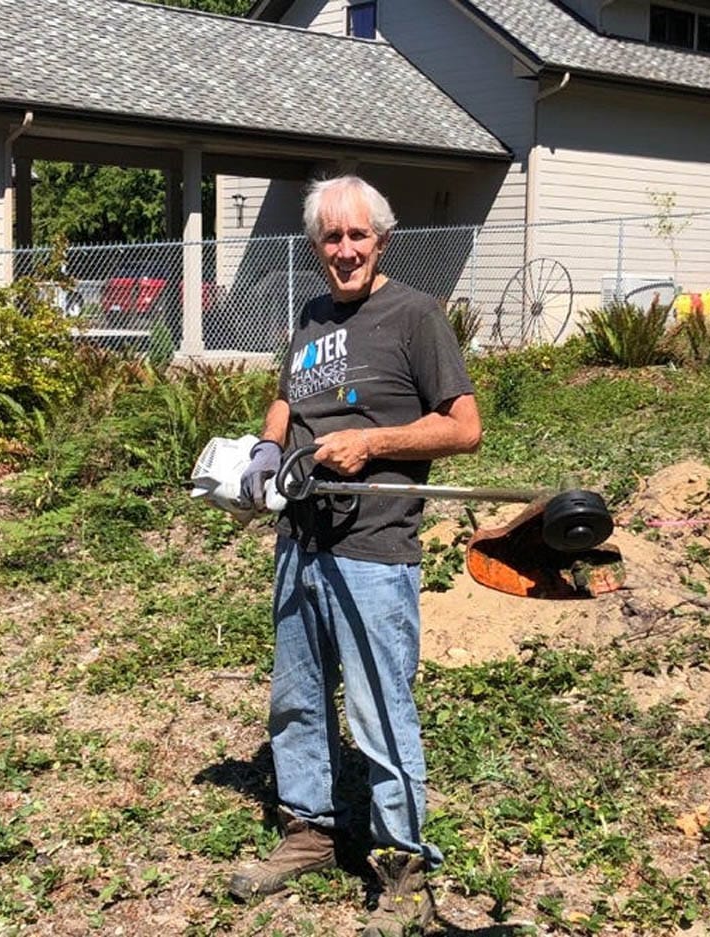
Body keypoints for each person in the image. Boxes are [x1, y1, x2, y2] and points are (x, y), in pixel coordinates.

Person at [230, 174, 482, 937]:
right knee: (298, 696)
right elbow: (287, 396)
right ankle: (308, 828)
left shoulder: (415, 316)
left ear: (382, 239)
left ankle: (403, 865)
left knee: (379, 706)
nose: (344, 250)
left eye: (356, 236)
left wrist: (372, 442)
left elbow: (463, 427)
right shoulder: (309, 316)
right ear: (316, 247)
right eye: (330, 238)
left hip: (374, 545)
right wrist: (268, 449)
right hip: (300, 536)